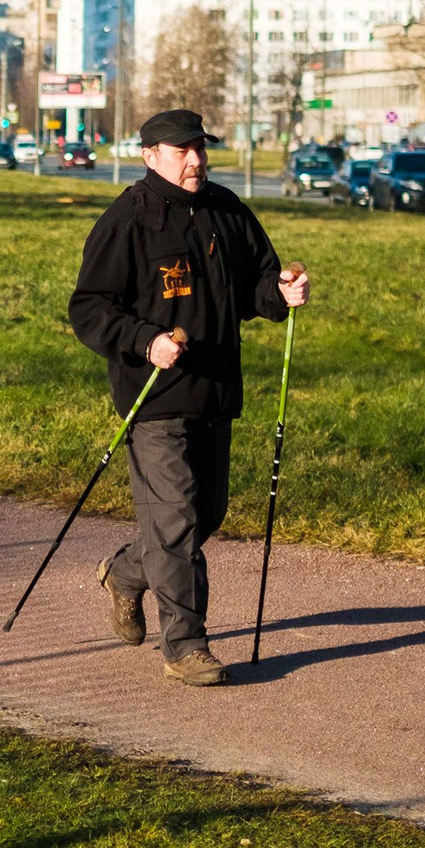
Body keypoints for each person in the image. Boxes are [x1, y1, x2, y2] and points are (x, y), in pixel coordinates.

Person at [67, 108, 310, 686]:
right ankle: (185, 645)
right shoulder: (127, 220)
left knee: (204, 515)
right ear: (150, 155)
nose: (195, 160)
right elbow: (91, 308)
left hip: (215, 389)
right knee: (174, 519)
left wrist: (282, 291)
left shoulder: (227, 210)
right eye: (182, 151)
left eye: (200, 149)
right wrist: (144, 340)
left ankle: (125, 573)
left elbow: (258, 283)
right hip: (154, 396)